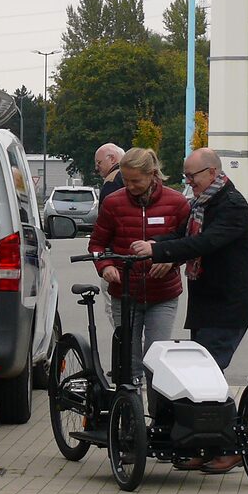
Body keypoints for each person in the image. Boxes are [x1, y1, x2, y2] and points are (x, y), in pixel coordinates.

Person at [131, 147, 248, 473]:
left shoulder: (232, 206)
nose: (189, 183)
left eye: (192, 177)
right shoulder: (202, 205)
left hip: (228, 306)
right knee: (199, 378)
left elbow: (205, 244)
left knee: (209, 376)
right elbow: (184, 234)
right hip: (206, 305)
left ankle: (230, 447)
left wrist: (160, 251)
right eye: (185, 177)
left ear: (212, 173)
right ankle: (203, 443)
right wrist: (155, 245)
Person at [90, 147, 188, 380]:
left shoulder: (177, 203)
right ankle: (128, 411)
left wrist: (173, 259)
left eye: (136, 181)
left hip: (163, 294)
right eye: (126, 180)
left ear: (153, 174)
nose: (131, 187)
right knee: (128, 359)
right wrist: (106, 267)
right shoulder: (114, 203)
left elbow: (191, 243)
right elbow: (97, 244)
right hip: (124, 293)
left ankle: (157, 413)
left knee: (157, 359)